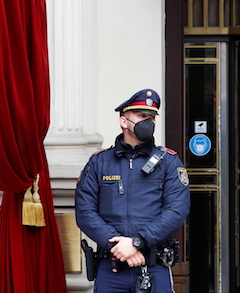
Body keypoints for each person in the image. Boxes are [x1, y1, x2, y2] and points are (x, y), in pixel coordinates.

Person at [76, 89, 191, 292]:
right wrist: (119, 247)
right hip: (110, 268)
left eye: (152, 117)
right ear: (123, 121)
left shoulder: (169, 161)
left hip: (154, 268)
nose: (149, 122)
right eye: (142, 116)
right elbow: (85, 212)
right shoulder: (99, 162)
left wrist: (137, 242)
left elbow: (176, 210)